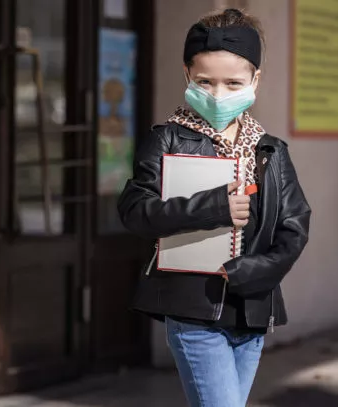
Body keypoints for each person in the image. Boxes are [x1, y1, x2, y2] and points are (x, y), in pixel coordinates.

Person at [117, 8, 311, 407]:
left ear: (255, 79)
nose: (218, 94)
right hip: (193, 311)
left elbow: (295, 226)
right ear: (187, 75)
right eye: (205, 81)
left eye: (233, 82)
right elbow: (135, 210)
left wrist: (254, 272)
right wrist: (214, 206)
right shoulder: (167, 140)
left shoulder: (270, 150)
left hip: (253, 312)